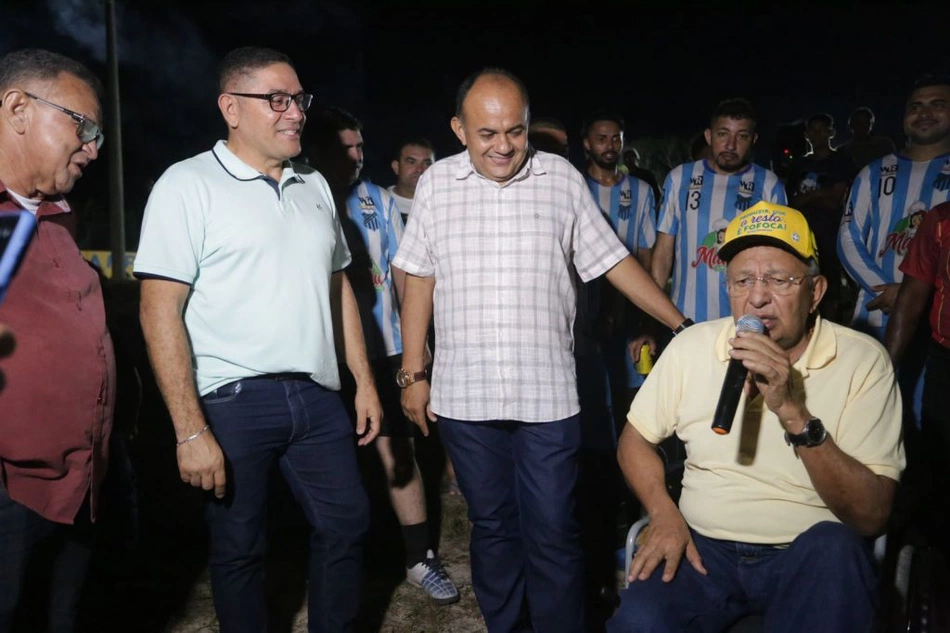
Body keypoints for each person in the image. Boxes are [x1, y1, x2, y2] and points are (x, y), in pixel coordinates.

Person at [393, 67, 688, 632]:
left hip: (549, 396)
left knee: (554, 529)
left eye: (516, 131)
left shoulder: (561, 179)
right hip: (465, 395)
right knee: (494, 528)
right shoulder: (435, 185)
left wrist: (679, 322)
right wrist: (413, 372)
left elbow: (613, 260)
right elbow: (419, 278)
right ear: (459, 128)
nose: (504, 146)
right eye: (487, 134)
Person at [134, 47, 380, 633]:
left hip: (318, 399)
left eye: (298, 98)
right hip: (232, 400)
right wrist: (189, 430)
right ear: (231, 108)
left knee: (347, 524)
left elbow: (337, 285)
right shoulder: (186, 183)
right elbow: (158, 309)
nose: (295, 112)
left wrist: (363, 381)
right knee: (240, 546)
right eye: (277, 100)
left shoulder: (314, 185)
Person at [608, 201, 905, 633]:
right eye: (742, 280)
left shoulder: (863, 361)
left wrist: (791, 408)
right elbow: (634, 441)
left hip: (811, 556)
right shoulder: (693, 346)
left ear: (816, 291)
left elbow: (871, 515)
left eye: (780, 280)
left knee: (836, 547)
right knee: (638, 622)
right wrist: (663, 512)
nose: (758, 297)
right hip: (701, 547)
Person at [309, 106, 459, 605]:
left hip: (388, 350)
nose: (356, 156)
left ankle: (419, 557)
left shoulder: (376, 198)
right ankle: (350, 554)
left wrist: (417, 345)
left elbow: (402, 270)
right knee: (337, 460)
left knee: (399, 452)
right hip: (324, 357)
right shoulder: (300, 193)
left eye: (360, 146)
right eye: (345, 148)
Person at [0, 48, 112, 632]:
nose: (94, 148)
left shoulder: (56, 215)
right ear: (18, 108)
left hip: (78, 488)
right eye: (83, 126)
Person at [837, 75, 950, 420]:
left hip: (937, 319)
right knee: (866, 411)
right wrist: (884, 288)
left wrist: (916, 292)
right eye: (915, 106)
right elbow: (848, 235)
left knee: (926, 416)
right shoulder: (875, 171)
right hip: (875, 309)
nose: (924, 113)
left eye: (937, 104)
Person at [653, 98, 787, 323]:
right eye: (723, 134)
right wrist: (650, 318)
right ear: (708, 136)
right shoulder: (679, 178)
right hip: (685, 321)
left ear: (753, 140)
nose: (731, 145)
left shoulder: (769, 184)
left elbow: (779, 258)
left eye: (742, 136)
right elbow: (663, 254)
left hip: (747, 322)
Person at [885, 199, 950, 555]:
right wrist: (883, 376)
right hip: (945, 361)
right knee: (938, 463)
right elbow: (909, 303)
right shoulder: (940, 221)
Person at [785, 112, 853, 321]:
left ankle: (830, 327)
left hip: (831, 233)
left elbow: (837, 198)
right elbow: (792, 202)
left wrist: (809, 197)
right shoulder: (799, 165)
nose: (817, 134)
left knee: (830, 286)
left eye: (822, 129)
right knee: (803, 282)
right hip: (803, 235)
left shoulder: (841, 160)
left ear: (831, 132)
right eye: (813, 130)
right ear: (806, 135)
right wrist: (822, 194)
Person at [388, 137, 435, 223]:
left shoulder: (442, 205)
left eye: (427, 163)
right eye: (411, 162)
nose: (420, 169)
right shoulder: (379, 203)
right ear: (396, 167)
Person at [836, 106, 897, 173]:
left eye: (866, 122)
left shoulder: (885, 144)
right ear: (851, 124)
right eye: (858, 122)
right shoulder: (842, 151)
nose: (862, 126)